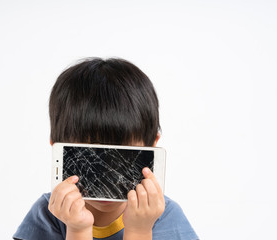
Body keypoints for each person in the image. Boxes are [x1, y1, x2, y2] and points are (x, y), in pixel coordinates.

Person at [13, 58, 198, 240]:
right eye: (91, 156)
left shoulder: (164, 216)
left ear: (151, 146)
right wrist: (77, 230)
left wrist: (140, 231)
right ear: (58, 148)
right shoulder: (49, 214)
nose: (108, 178)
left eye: (124, 158)